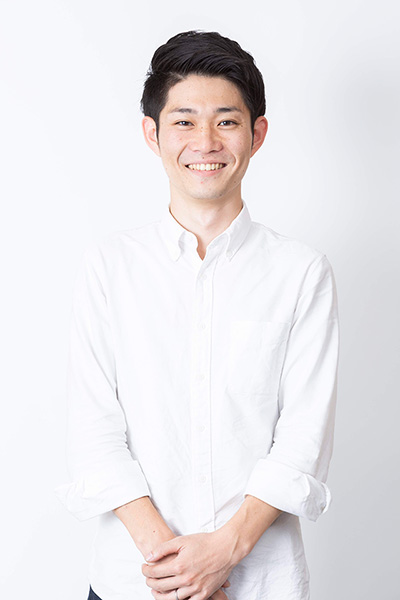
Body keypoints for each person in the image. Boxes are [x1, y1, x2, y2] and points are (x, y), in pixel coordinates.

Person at [55, 30, 339, 600]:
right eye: (183, 121)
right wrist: (179, 568)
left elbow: (303, 437)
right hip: (134, 581)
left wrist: (226, 551)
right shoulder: (110, 265)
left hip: (259, 583)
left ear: (257, 134)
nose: (205, 142)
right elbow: (94, 430)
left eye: (226, 121)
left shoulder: (301, 271)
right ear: (152, 134)